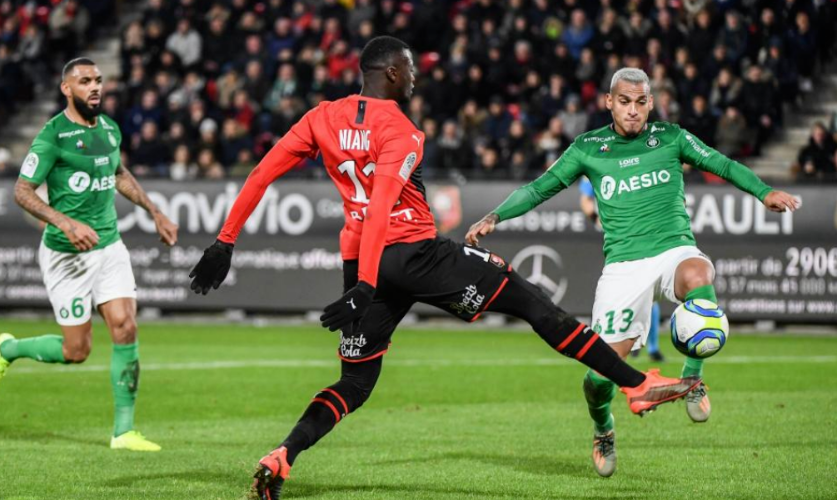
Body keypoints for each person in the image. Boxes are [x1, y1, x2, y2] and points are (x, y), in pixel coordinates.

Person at [188, 38, 699, 500]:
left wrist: (225, 241)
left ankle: (284, 454)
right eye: (410, 69)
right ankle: (635, 384)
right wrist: (365, 286)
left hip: (362, 260)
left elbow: (262, 172)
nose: (415, 77)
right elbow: (383, 206)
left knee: (355, 383)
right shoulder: (402, 130)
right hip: (414, 256)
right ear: (391, 73)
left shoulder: (321, 117)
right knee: (532, 302)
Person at [466, 67, 800, 478]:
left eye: (641, 102)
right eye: (624, 101)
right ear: (609, 102)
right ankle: (603, 427)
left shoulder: (671, 137)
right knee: (598, 377)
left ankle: (693, 377)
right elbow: (539, 188)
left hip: (673, 249)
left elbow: (723, 164)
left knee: (699, 276)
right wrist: (495, 216)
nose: (633, 110)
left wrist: (764, 192)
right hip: (623, 266)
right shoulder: (588, 147)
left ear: (651, 104)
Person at [1, 58, 178, 452]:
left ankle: (124, 432)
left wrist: (154, 211)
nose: (95, 86)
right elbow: (22, 191)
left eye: (98, 80)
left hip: (109, 246)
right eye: (84, 81)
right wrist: (65, 223)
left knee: (125, 327)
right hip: (67, 255)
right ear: (67, 89)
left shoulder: (109, 129)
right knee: (76, 351)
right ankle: (7, 349)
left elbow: (119, 174)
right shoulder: (52, 137)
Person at [578, 177, 664, 362]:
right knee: (632, 291)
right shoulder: (598, 168)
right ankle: (636, 342)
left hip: (637, 236)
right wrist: (596, 218)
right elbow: (585, 199)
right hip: (617, 240)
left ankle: (647, 345)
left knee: (645, 290)